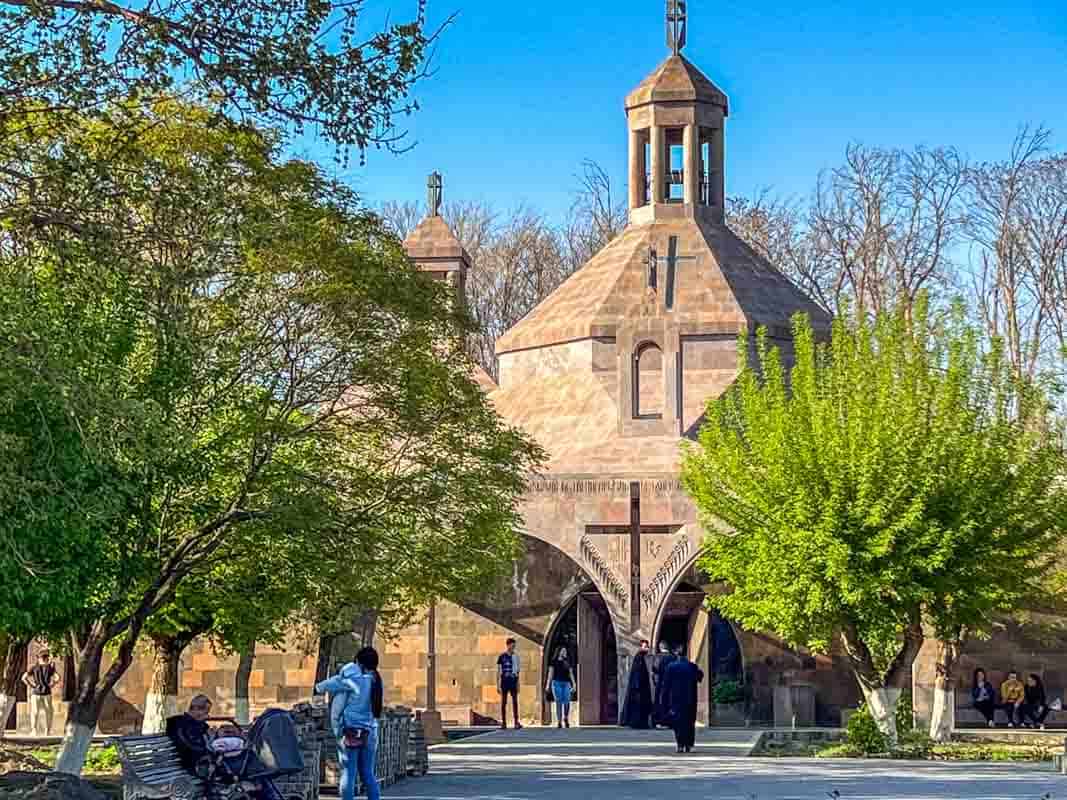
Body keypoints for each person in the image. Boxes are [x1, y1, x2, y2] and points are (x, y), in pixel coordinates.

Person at [316, 647, 384, 800]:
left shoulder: (355, 680)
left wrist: (318, 688)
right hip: (370, 732)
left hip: (350, 732)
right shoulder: (377, 681)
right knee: (368, 773)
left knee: (349, 773)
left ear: (359, 663)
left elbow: (333, 684)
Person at [661, 647, 703, 753]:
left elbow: (666, 686)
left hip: (675, 699)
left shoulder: (671, 667)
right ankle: (688, 744)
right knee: (689, 722)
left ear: (677, 654)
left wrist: (664, 701)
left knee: (678, 722)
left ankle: (680, 744)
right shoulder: (692, 666)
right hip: (690, 699)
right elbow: (700, 677)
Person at [22, 651, 60, 736]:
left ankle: (34, 730)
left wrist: (31, 685)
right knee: (49, 712)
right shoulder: (50, 668)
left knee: (35, 712)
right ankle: (48, 731)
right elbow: (58, 678)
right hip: (47, 692)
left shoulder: (34, 667)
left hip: (36, 692)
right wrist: (52, 684)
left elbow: (23, 678)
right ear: (46, 658)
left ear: (39, 658)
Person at [621, 639, 653, 729]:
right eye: (645, 647)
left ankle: (639, 723)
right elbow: (637, 673)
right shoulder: (639, 657)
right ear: (640, 647)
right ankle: (638, 723)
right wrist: (637, 686)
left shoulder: (640, 657)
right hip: (638, 688)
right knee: (639, 706)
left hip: (639, 687)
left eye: (647, 647)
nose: (647, 649)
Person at [545, 646, 575, 728]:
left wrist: (574, 684)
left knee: (567, 702)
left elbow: (571, 673)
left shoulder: (568, 661)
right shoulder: (553, 661)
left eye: (565, 651)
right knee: (558, 702)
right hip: (556, 683)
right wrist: (548, 685)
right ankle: (559, 721)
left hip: (566, 684)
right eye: (563, 651)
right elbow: (550, 674)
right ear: (559, 652)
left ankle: (565, 717)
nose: (565, 652)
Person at [497, 638, 522, 729]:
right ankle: (504, 722)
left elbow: (517, 672)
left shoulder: (515, 657)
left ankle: (516, 722)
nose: (513, 647)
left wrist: (518, 684)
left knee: (515, 702)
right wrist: (498, 684)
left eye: (514, 646)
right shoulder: (502, 657)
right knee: (504, 702)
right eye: (512, 645)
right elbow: (499, 671)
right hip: (504, 681)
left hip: (513, 681)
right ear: (508, 645)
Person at [652, 642, 677, 728]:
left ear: (660, 647)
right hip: (671, 684)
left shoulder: (658, 657)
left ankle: (659, 721)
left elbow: (654, 670)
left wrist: (655, 682)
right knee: (670, 702)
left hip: (661, 684)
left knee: (660, 702)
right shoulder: (673, 657)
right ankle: (670, 722)